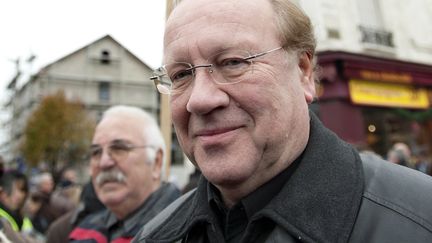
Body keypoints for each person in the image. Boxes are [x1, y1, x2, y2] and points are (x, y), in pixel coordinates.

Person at [132, 0, 432, 242]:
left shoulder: (420, 216)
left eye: (233, 62)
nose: (199, 99)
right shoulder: (153, 235)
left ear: (303, 71)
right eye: (181, 75)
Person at [69, 105, 181, 242]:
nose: (104, 162)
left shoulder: (193, 231)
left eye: (119, 148)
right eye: (96, 152)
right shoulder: (81, 231)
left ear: (156, 162)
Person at [0, 170, 39, 242]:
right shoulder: (2, 219)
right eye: (19, 189)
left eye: (24, 190)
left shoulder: (23, 218)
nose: (22, 195)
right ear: (3, 193)